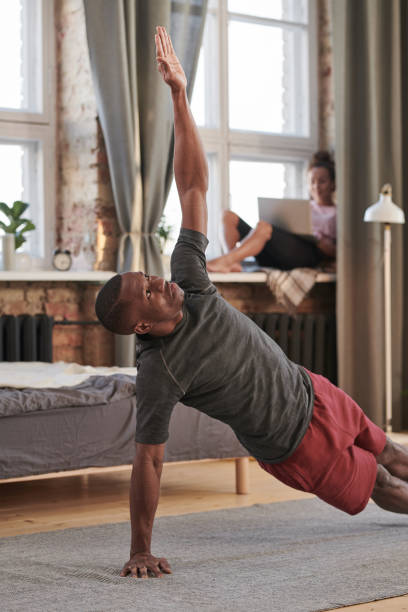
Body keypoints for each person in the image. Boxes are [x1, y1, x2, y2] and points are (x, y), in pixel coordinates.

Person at [95, 26, 408, 580]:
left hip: (313, 390)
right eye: (146, 290)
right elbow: (148, 459)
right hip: (293, 446)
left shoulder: (187, 279)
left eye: (147, 275)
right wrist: (139, 547)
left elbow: (192, 186)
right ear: (141, 322)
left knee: (392, 453)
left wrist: (179, 95)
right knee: (381, 487)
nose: (155, 282)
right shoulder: (159, 372)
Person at [206, 151, 337, 273]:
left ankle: (226, 260)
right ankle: (233, 262)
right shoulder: (303, 207)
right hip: (281, 249)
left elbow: (341, 252)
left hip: (308, 256)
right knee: (227, 216)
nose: (316, 187)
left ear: (332, 184)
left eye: (322, 182)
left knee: (263, 227)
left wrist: (320, 243)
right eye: (312, 182)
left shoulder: (338, 213)